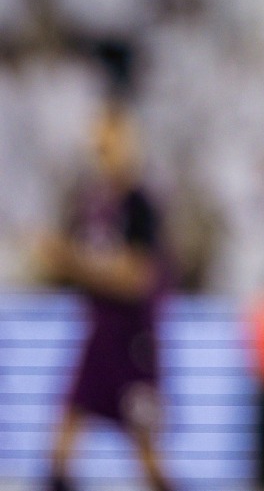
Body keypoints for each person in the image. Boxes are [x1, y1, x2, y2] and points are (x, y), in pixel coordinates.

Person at [36, 100, 174, 491]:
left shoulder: (140, 204)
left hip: (133, 341)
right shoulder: (90, 203)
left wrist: (70, 262)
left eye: (109, 146)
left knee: (148, 457)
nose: (102, 156)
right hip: (98, 335)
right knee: (61, 444)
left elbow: (137, 279)